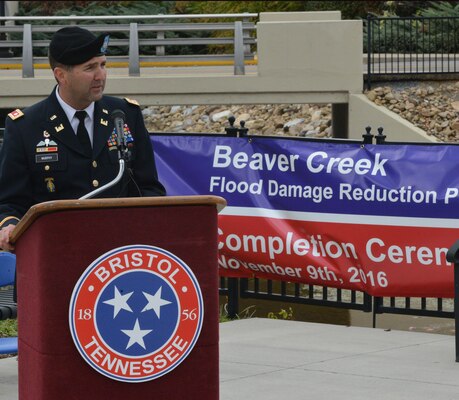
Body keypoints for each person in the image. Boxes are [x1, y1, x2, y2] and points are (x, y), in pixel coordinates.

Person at [0, 26, 166, 251]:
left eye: (103, 65)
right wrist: (10, 226)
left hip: (118, 254)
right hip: (54, 253)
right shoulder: (25, 126)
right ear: (61, 75)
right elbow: (10, 202)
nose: (101, 75)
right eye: (90, 68)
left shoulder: (125, 114)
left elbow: (149, 189)